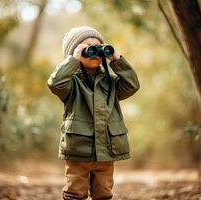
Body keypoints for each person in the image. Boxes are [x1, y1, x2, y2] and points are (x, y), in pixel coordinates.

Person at [47, 26, 140, 200]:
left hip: (106, 150)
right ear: (74, 53)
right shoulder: (71, 84)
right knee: (75, 193)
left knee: (104, 193)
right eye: (87, 48)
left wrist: (117, 59)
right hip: (79, 151)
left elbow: (132, 85)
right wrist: (73, 60)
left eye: (98, 47)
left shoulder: (111, 83)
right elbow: (54, 83)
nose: (94, 51)